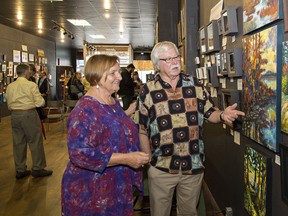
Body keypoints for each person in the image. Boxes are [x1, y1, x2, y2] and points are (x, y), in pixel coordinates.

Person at [134, 41, 245, 216]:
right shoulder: (147, 91)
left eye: (176, 57)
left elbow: (210, 113)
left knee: (188, 213)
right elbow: (141, 129)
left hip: (192, 166)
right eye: (168, 59)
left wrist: (222, 115)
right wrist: (149, 163)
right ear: (157, 65)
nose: (174, 62)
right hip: (161, 167)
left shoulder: (195, 85)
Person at [61, 54, 150, 215]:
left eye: (119, 72)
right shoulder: (84, 110)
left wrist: (129, 110)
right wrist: (126, 158)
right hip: (93, 190)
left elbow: (112, 122)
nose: (119, 77)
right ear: (97, 77)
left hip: (115, 183)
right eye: (113, 73)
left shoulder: (111, 101)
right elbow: (80, 154)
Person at [6, 63, 53, 179]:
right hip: (29, 114)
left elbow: (8, 104)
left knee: (18, 142)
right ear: (27, 72)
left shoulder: (10, 86)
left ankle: (20, 169)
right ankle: (38, 168)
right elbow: (39, 103)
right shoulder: (31, 85)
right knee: (35, 141)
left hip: (14, 115)